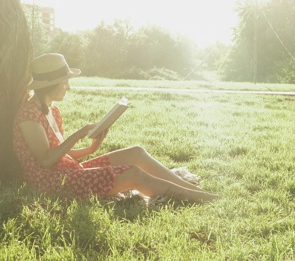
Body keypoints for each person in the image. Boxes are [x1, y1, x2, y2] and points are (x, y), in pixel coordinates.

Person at [13, 53, 219, 203]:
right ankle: (200, 198)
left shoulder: (52, 110)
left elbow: (61, 155)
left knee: (136, 152)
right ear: (50, 85)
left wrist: (90, 150)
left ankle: (190, 189)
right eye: (65, 82)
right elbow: (46, 160)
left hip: (68, 171)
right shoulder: (29, 116)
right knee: (133, 173)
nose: (69, 87)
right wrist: (78, 134)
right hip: (53, 184)